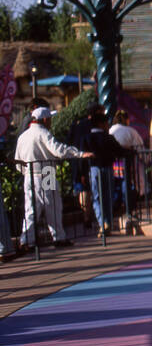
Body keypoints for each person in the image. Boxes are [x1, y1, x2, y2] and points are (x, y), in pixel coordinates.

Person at [14, 107, 93, 250]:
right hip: (47, 171)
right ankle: (58, 237)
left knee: (31, 209)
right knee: (53, 207)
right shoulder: (43, 133)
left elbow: (17, 160)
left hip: (29, 174)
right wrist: (79, 154)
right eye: (50, 118)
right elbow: (58, 150)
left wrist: (25, 171)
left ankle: (27, 240)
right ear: (45, 119)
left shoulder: (23, 136)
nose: (51, 121)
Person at [85, 109, 127, 235]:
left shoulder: (87, 138)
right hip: (108, 168)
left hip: (94, 169)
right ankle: (107, 221)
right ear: (101, 124)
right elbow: (119, 151)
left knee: (97, 197)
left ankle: (102, 222)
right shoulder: (108, 138)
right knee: (108, 196)